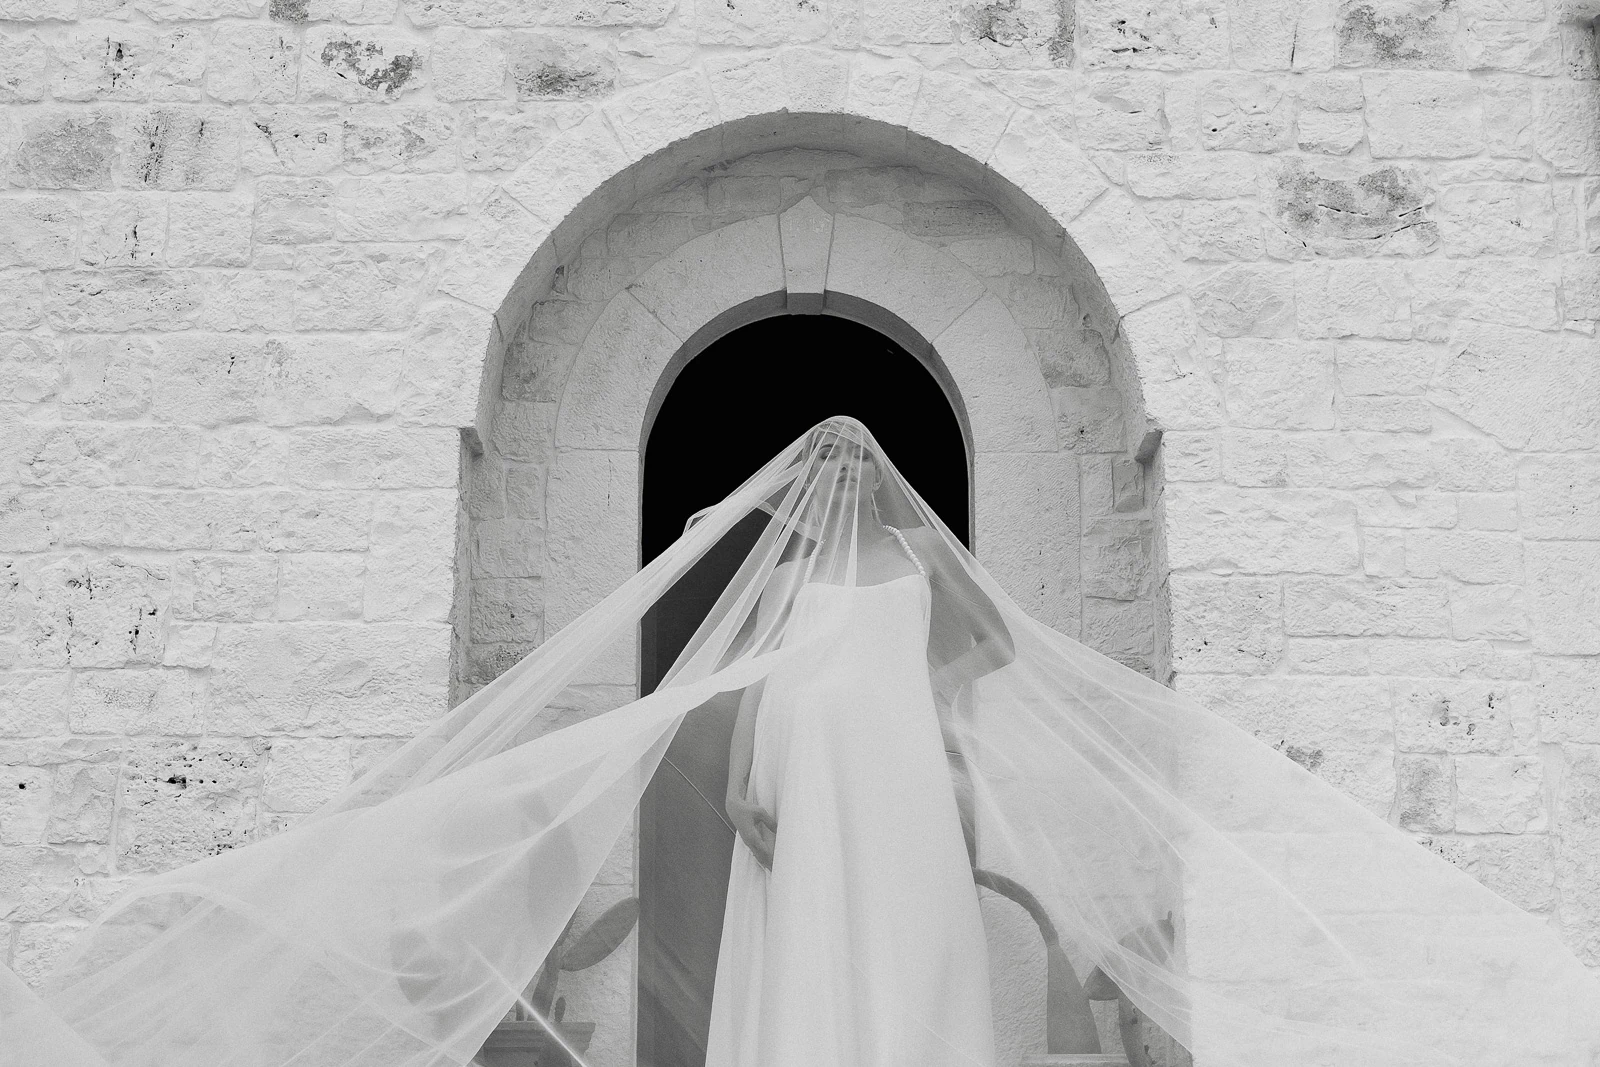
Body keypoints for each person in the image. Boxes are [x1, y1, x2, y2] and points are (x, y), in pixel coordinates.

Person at [3, 417, 1599, 1067]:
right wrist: (980, 842)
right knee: (917, 1003)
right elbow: (982, 723)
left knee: (813, 1000)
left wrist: (774, 826)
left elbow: (752, 783)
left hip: (824, 850)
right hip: (910, 848)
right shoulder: (926, 596)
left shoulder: (778, 622)